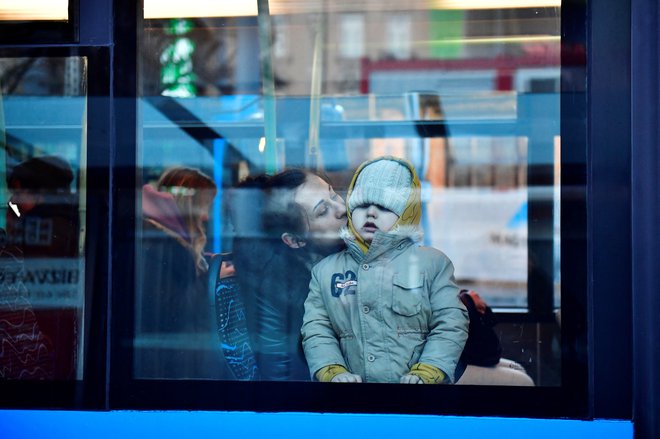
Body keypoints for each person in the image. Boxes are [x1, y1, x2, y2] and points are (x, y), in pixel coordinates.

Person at [301, 156, 469, 384]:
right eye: (361, 205)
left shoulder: (433, 264)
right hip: (350, 399)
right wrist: (332, 370)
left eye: (384, 206)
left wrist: (429, 370)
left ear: (406, 213)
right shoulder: (325, 271)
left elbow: (450, 322)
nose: (370, 213)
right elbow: (317, 328)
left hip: (419, 398)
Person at [229, 169, 347, 381]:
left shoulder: (359, 243)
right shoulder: (279, 289)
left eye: (333, 194)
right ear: (294, 240)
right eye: (323, 211)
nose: (342, 208)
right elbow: (280, 374)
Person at [138, 166, 226, 379]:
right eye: (203, 206)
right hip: (168, 364)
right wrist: (212, 278)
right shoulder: (165, 245)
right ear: (188, 204)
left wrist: (209, 263)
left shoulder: (164, 240)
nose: (205, 217)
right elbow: (172, 311)